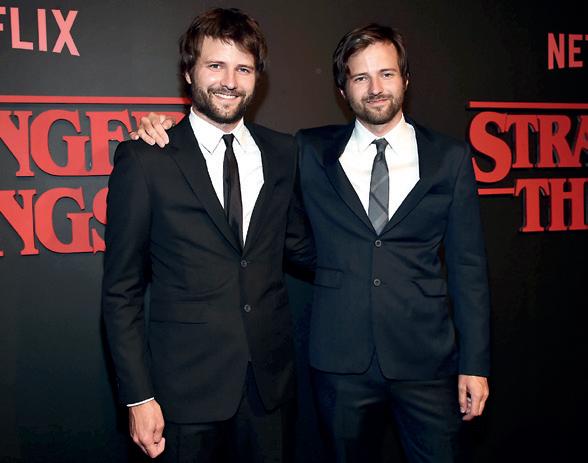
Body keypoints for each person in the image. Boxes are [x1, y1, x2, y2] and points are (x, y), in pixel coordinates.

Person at [134, 23, 490, 463]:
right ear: (343, 89)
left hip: (427, 361)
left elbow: (469, 269)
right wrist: (156, 129)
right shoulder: (306, 151)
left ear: (406, 79)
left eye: (386, 74)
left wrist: (475, 363)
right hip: (340, 364)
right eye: (360, 77)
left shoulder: (449, 158)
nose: (375, 89)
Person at [102, 8, 314, 462]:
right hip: (183, 395)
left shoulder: (283, 152)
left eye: (244, 68)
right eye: (216, 65)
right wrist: (138, 397)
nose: (230, 81)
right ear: (188, 72)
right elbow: (121, 291)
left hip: (269, 391)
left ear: (257, 78)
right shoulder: (146, 159)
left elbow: (302, 247)